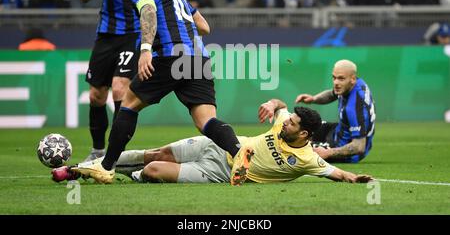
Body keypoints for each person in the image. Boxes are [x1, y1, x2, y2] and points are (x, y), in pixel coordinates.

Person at [71, 0, 252, 186]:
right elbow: (204, 26)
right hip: (199, 57)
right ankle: (238, 151)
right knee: (205, 120)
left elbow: (148, 11)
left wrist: (146, 49)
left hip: (169, 55)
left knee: (129, 103)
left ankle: (106, 168)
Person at [53, 99, 373, 184]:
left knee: (151, 170)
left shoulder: (307, 159)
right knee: (157, 152)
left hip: (218, 172)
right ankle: (89, 167)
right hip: (219, 145)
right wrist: (273, 104)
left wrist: (355, 178)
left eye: (292, 123)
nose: (286, 121)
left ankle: (121, 173)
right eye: (288, 119)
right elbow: (279, 105)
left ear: (304, 134)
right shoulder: (283, 123)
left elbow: (335, 173)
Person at [79, 0, 170, 162]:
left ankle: (113, 153)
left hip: (134, 34)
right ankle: (97, 150)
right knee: (96, 95)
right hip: (106, 34)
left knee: (120, 88)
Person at [295, 60, 375, 163]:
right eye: (334, 77)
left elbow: (359, 146)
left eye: (341, 78)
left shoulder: (354, 108)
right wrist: (313, 99)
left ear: (352, 79)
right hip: (338, 130)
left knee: (297, 146)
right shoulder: (356, 84)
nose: (336, 82)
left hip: (344, 148)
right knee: (302, 124)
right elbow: (333, 94)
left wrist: (328, 153)